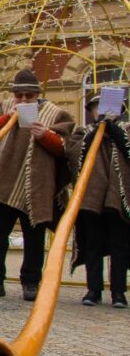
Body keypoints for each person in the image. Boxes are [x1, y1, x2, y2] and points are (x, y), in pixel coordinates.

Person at [0, 68, 74, 301]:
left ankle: (31, 283)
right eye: (20, 95)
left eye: (29, 96)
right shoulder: (3, 108)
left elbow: (66, 149)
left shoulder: (55, 113)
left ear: (38, 94)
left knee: (34, 240)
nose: (24, 100)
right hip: (3, 185)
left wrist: (44, 136)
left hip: (36, 187)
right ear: (14, 94)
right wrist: (8, 118)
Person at [67, 93, 130, 308]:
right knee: (92, 245)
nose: (101, 111)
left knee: (119, 245)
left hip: (117, 199)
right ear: (91, 111)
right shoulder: (82, 132)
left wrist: (113, 130)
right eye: (97, 107)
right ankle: (93, 290)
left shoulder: (126, 131)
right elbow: (74, 156)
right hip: (90, 198)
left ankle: (119, 292)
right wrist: (97, 133)